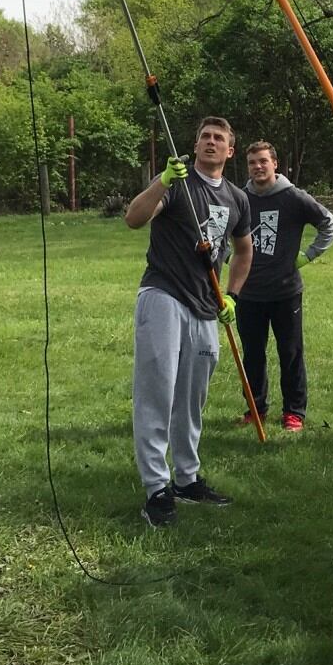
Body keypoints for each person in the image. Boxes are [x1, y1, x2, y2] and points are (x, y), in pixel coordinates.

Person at [123, 117, 253, 528]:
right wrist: (162, 180)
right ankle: (156, 489)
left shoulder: (237, 198)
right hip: (163, 294)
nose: (211, 143)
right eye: (205, 137)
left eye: (220, 139)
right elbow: (134, 218)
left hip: (204, 307)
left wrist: (231, 294)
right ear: (195, 146)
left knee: (192, 398)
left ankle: (187, 478)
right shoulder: (178, 183)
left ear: (231, 151)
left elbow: (243, 250)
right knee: (157, 391)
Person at [237, 141, 333, 433]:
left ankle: (294, 412)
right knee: (252, 354)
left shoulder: (293, 198)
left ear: (275, 164)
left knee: (290, 353)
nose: (258, 167)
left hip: (285, 291)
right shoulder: (240, 198)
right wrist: (230, 259)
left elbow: (330, 224)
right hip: (248, 292)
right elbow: (223, 232)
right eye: (252, 162)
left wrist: (308, 256)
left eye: (263, 161)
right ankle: (255, 409)